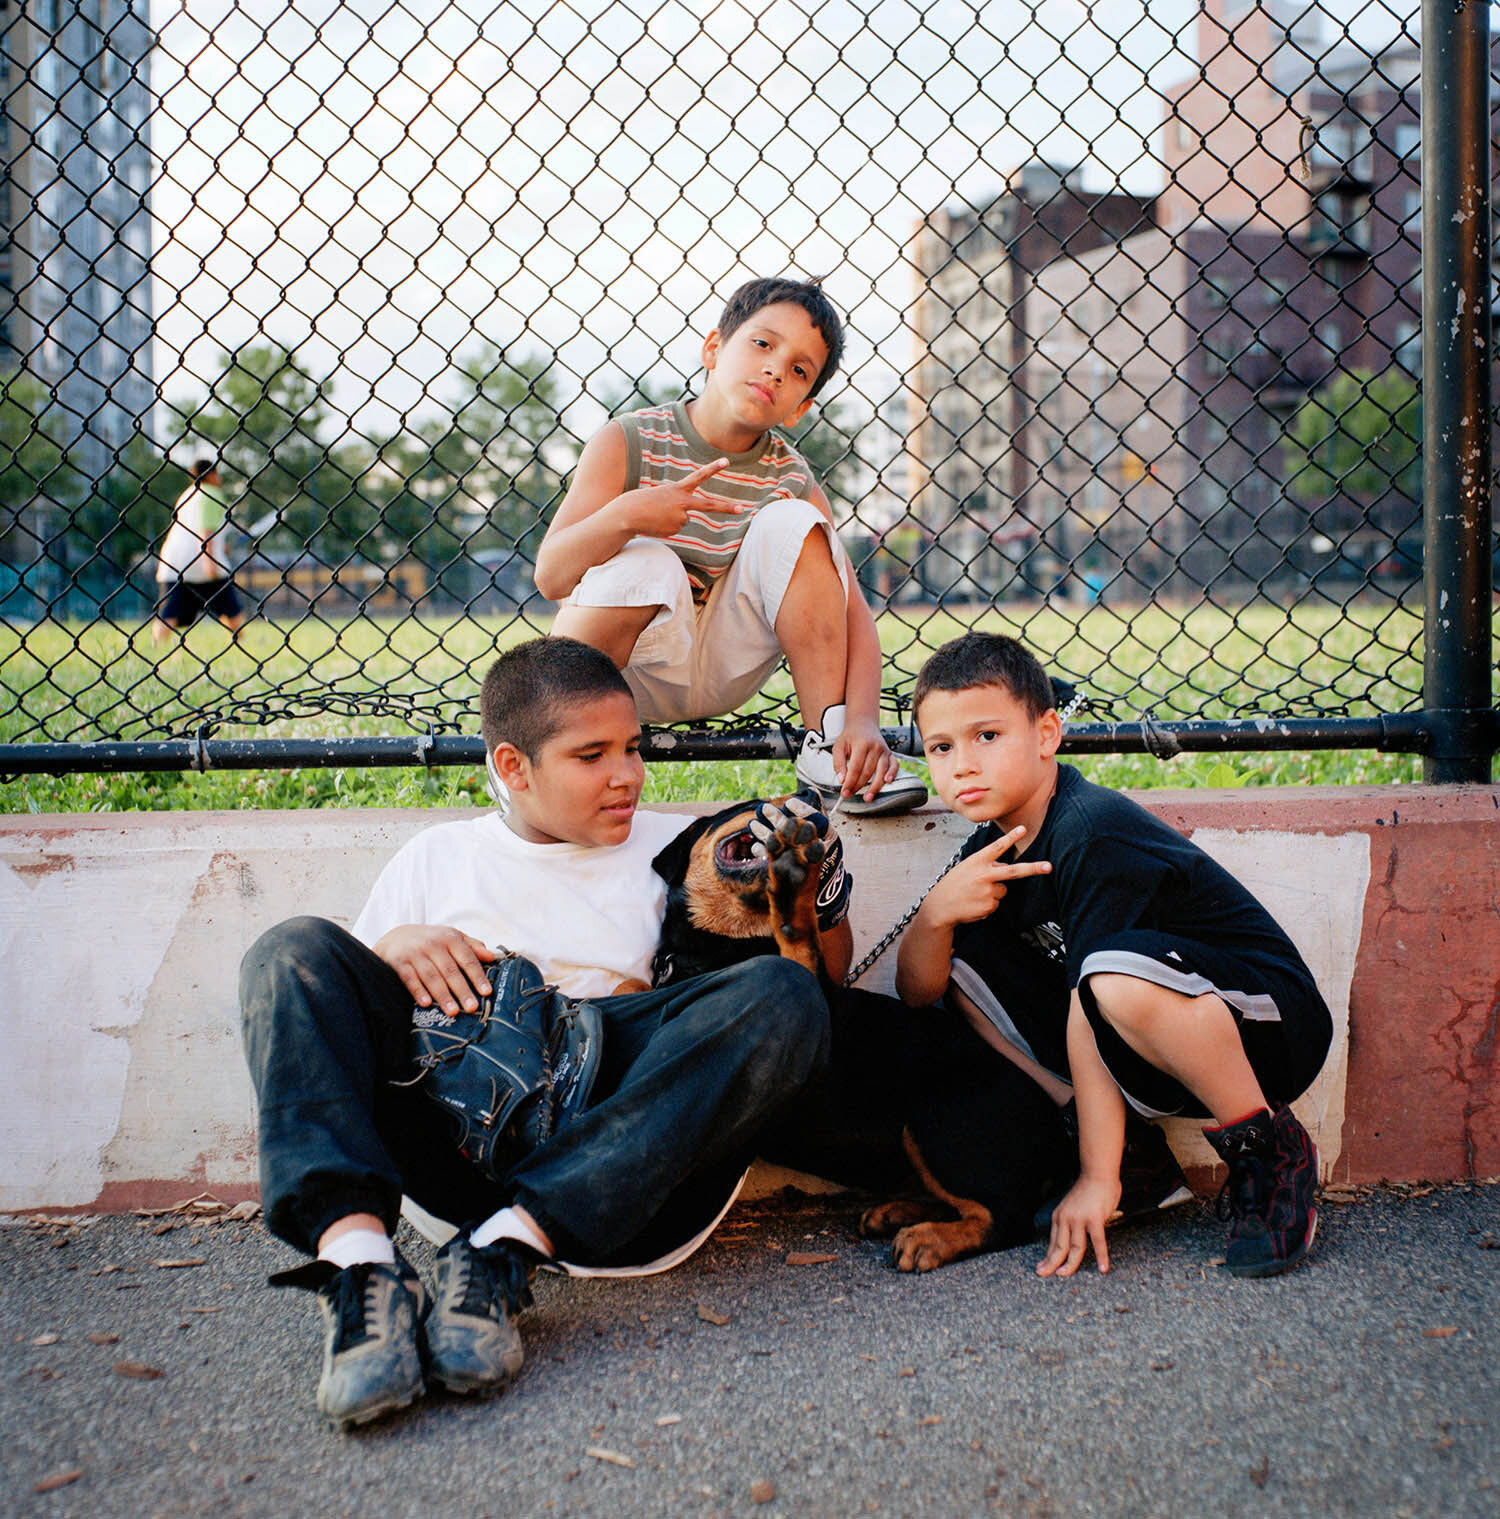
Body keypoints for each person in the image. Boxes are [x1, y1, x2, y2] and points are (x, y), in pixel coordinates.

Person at [238, 637, 834, 1429]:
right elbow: (338, 1033)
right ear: (514, 766)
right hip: (458, 1148)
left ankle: (503, 1254)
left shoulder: (679, 846)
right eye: (592, 755)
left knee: (784, 992)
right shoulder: (439, 855)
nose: (627, 774)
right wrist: (389, 950)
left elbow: (806, 1008)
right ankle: (362, 1270)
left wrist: (805, 888)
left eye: (633, 748)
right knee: (291, 953)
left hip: (627, 1168)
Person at [895, 632, 1333, 1280]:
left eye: (987, 736)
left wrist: (1094, 1179)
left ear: (1046, 734)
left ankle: (1270, 1152)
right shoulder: (995, 848)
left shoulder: (1088, 830)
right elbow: (922, 990)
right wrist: (934, 913)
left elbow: (1089, 999)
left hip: (1269, 1024)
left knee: (1107, 977)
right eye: (941, 746)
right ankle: (1141, 1165)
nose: (962, 763)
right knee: (968, 969)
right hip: (1155, 1036)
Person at [534, 276, 927, 816]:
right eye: (763, 344)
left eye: (798, 370)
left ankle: (831, 751)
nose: (774, 369)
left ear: (798, 408)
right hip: (626, 668)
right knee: (650, 560)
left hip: (722, 664)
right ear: (714, 349)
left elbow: (852, 613)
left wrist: (861, 719)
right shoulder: (628, 440)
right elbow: (552, 577)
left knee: (795, 522)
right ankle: (556, 753)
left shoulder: (791, 476)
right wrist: (628, 516)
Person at [152, 458, 244, 644]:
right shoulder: (212, 493)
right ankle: (238, 642)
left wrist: (220, 546)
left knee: (169, 613)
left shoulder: (187, 494)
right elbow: (206, 531)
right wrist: (210, 561)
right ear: (210, 475)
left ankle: (157, 647)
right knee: (232, 609)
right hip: (201, 561)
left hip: (174, 562)